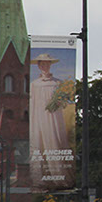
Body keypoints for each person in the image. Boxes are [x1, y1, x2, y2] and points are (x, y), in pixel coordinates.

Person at [28, 51, 75, 186]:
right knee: (39, 142)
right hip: (39, 116)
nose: (45, 66)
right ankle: (41, 177)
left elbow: (63, 102)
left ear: (50, 65)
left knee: (55, 140)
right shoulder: (34, 84)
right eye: (42, 64)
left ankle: (59, 175)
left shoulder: (58, 83)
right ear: (38, 66)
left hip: (54, 117)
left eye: (47, 64)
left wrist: (58, 102)